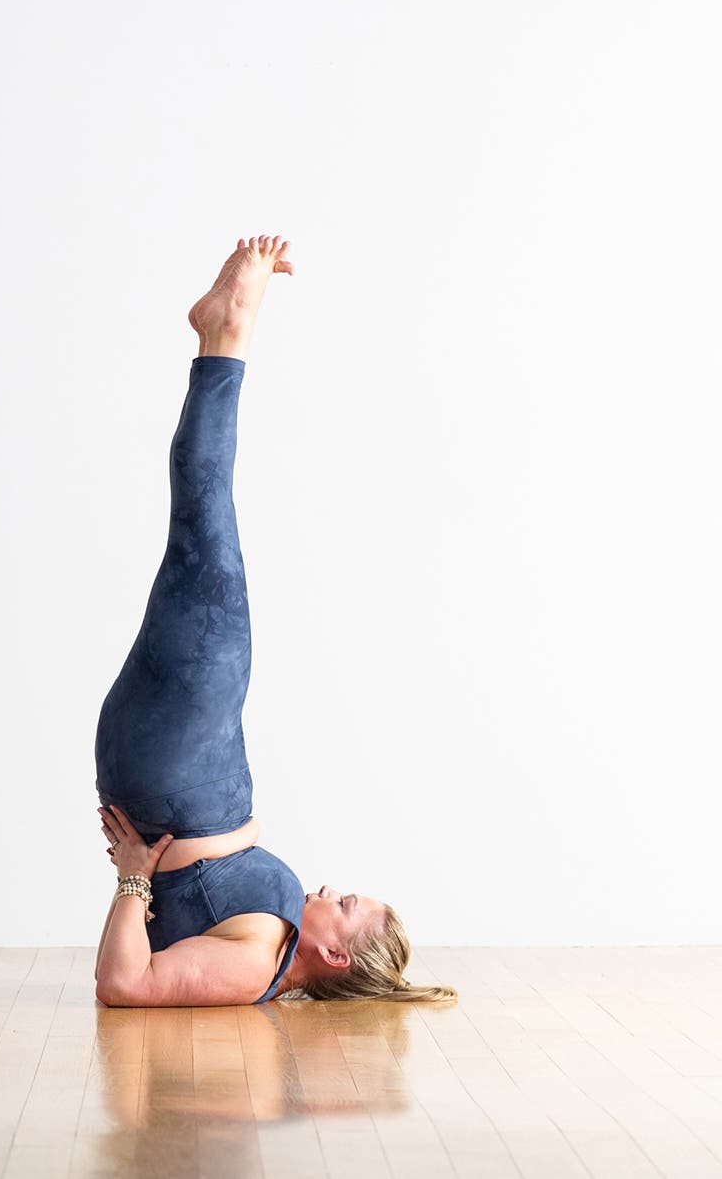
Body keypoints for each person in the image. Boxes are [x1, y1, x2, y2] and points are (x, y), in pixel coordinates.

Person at [91, 235, 457, 1008]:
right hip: (191, 758)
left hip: (181, 764)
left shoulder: (258, 961)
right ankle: (221, 335)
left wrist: (131, 876)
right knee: (202, 535)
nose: (330, 888)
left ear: (331, 950)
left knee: (205, 528)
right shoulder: (277, 934)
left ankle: (226, 335)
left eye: (347, 904)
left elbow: (125, 986)